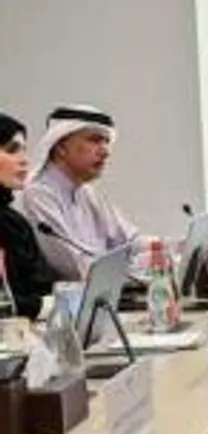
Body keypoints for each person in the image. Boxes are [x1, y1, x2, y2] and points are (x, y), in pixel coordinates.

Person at [19, 105, 139, 281]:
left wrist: (165, 250)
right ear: (61, 147)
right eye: (95, 140)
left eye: (107, 142)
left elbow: (129, 240)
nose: (106, 152)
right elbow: (74, 268)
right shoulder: (37, 195)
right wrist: (131, 271)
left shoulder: (88, 193)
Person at [0, 114, 55, 320]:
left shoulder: (13, 221)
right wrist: (41, 306)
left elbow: (37, 285)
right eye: (12, 150)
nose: (25, 160)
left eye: (24, 150)